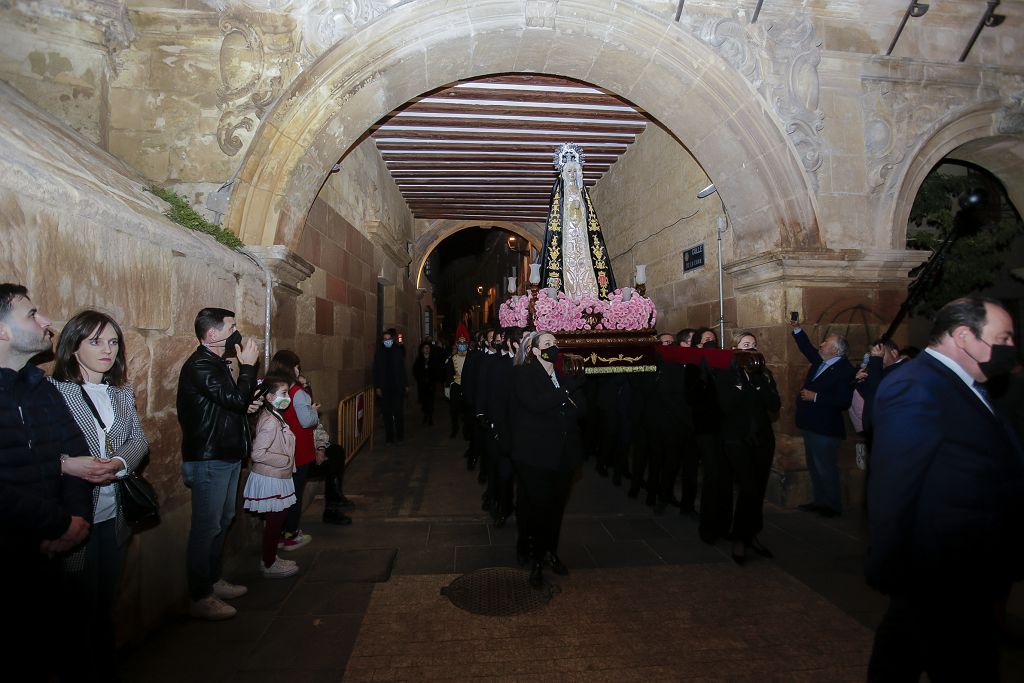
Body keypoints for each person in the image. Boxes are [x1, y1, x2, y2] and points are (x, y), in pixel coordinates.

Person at [866, 296, 1024, 681]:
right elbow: (893, 484)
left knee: (903, 654)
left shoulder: (960, 384)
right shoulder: (917, 386)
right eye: (1003, 339)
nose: (1011, 350)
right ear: (965, 336)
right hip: (941, 571)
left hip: (960, 569)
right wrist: (888, 565)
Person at [0, 284, 94, 679]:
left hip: (53, 550)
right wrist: (58, 523)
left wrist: (75, 519)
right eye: (31, 314)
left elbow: (75, 456)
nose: (46, 321)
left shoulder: (43, 389)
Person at [49, 310, 150, 677]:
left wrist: (120, 462)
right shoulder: (55, 392)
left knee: (106, 604)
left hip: (115, 515)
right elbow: (38, 452)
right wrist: (70, 463)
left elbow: (138, 439)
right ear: (73, 347)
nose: (107, 350)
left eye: (112, 342)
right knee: (77, 609)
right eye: (95, 341)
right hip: (76, 517)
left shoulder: (121, 392)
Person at [177, 307, 260, 620]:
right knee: (206, 526)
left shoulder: (214, 363)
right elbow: (234, 400)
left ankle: (212, 580)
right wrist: (248, 368)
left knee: (223, 519)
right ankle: (200, 595)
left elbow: (228, 403)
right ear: (212, 335)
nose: (236, 332)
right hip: (209, 458)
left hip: (225, 453)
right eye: (231, 327)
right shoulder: (200, 365)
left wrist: (246, 403)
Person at [511, 331, 585, 588]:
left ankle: (551, 552)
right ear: (533, 350)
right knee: (538, 506)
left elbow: (582, 408)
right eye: (546, 344)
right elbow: (536, 404)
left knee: (556, 507)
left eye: (555, 343)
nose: (553, 347)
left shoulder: (563, 374)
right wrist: (566, 391)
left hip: (564, 454)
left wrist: (573, 388)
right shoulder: (524, 374)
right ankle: (535, 558)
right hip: (535, 454)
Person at [714, 332, 780, 564]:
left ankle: (751, 534)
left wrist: (760, 383)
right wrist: (742, 386)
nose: (750, 348)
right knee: (748, 488)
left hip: (762, 440)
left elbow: (774, 405)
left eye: (753, 345)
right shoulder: (727, 375)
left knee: (758, 489)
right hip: (736, 440)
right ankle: (739, 538)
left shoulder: (765, 375)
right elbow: (727, 406)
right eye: (745, 345)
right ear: (736, 349)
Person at [788, 319, 855, 517]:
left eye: (825, 343)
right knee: (814, 465)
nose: (821, 344)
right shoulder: (821, 362)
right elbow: (807, 349)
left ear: (835, 350)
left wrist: (815, 396)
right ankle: (820, 501)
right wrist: (797, 329)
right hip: (811, 424)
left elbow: (843, 400)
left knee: (825, 467)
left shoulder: (845, 370)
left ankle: (832, 506)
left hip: (826, 428)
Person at [243, 376, 300, 579]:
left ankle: (271, 557)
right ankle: (268, 563)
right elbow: (258, 453)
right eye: (283, 394)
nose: (288, 398)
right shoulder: (269, 421)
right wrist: (284, 459)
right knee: (275, 523)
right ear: (269, 396)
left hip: (277, 476)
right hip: (271, 478)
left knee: (276, 522)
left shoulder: (274, 415)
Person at [373, 328, 407, 443]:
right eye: (385, 339)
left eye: (389, 339)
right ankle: (389, 436)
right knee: (387, 413)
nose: (387, 341)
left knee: (398, 412)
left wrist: (405, 384)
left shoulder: (398, 351)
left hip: (397, 387)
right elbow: (376, 371)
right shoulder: (379, 354)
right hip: (384, 388)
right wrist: (377, 387)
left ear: (392, 340)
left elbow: (402, 369)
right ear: (382, 341)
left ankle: (400, 434)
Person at [443, 335, 470, 439]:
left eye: (464, 344)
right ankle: (455, 429)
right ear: (457, 345)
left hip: (467, 387)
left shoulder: (471, 357)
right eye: (460, 344)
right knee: (453, 411)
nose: (462, 346)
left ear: (466, 345)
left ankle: (466, 431)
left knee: (467, 411)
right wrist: (447, 388)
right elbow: (448, 374)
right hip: (456, 386)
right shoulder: (452, 358)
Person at [412, 341, 441, 426]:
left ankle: (430, 417)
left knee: (431, 401)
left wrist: (434, 379)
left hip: (431, 384)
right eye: (425, 348)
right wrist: (420, 378)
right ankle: (425, 415)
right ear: (422, 350)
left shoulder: (433, 359)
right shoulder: (419, 360)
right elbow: (415, 371)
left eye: (428, 348)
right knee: (424, 402)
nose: (427, 349)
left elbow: (436, 370)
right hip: (422, 385)